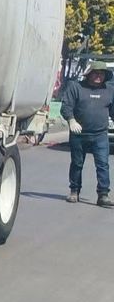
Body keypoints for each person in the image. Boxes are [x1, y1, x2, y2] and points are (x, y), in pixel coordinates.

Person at [60, 61, 114, 206]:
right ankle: (74, 191)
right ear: (89, 74)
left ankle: (103, 195)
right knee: (77, 163)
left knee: (103, 164)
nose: (98, 76)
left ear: (105, 76)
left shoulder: (109, 90)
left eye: (102, 74)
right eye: (96, 73)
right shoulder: (76, 87)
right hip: (79, 134)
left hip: (100, 135)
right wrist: (71, 120)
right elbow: (66, 106)